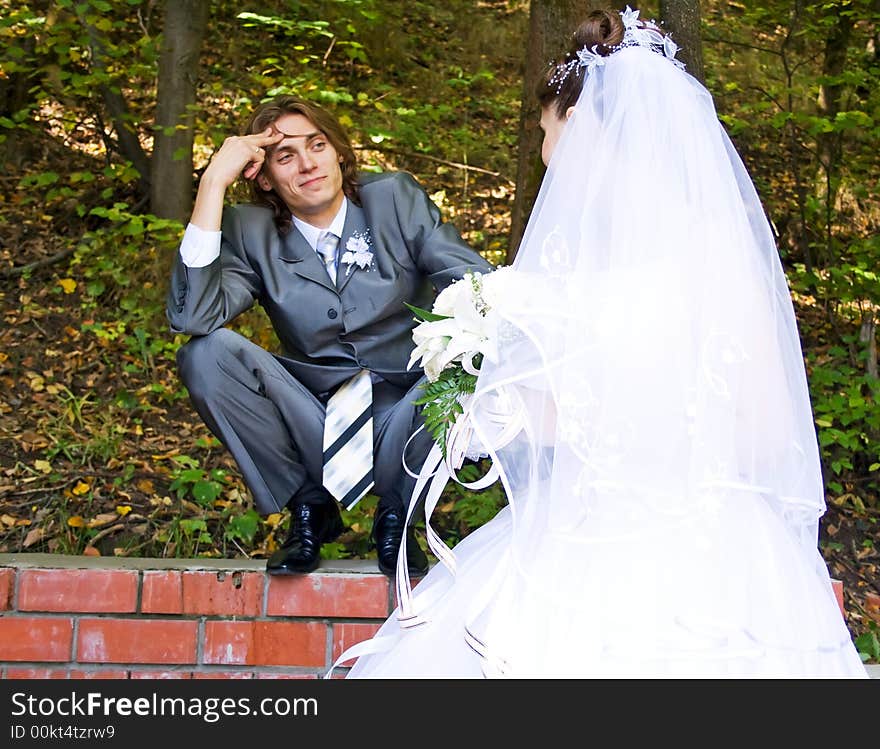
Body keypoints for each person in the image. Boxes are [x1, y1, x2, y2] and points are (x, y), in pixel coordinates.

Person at [338, 8, 868, 677]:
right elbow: (730, 428)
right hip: (650, 537)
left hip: (638, 550)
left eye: (545, 130)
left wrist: (549, 417)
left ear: (583, 126)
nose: (544, 149)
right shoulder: (655, 260)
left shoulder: (652, 264)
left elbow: (738, 431)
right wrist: (496, 408)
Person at [166, 95, 492, 577]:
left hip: (410, 402)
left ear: (338, 150)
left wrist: (475, 331)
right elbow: (195, 316)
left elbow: (470, 282)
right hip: (315, 415)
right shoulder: (249, 230)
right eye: (285, 156)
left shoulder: (394, 198)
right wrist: (212, 183)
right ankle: (310, 506)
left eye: (316, 145)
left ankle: (399, 513)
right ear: (265, 177)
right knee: (205, 353)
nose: (306, 164)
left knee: (477, 349)